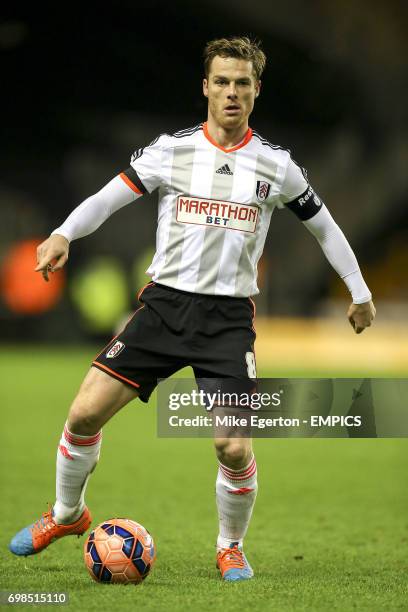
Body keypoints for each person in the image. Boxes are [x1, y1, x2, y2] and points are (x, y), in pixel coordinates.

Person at [9, 36, 376, 582]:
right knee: (83, 414)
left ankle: (230, 547)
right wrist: (63, 233)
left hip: (226, 323)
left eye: (243, 83)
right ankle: (66, 514)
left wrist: (359, 289)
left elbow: (324, 225)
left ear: (256, 91)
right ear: (206, 87)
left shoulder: (277, 166)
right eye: (222, 82)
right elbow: (110, 197)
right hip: (162, 309)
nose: (232, 93)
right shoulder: (171, 151)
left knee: (232, 445)